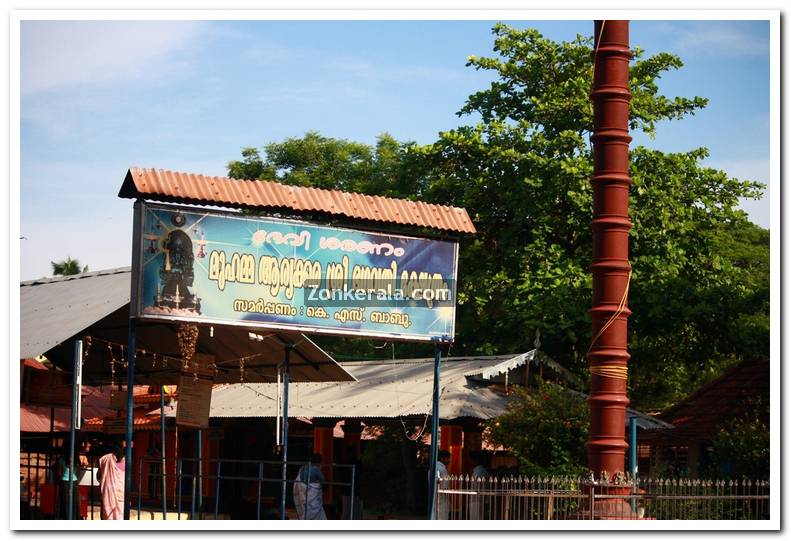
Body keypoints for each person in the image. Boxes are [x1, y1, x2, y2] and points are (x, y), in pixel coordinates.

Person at [293, 453, 327, 520]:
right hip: (312, 498)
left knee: (306, 513)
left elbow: (299, 482)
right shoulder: (316, 470)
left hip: (303, 495)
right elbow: (324, 481)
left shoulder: (303, 468)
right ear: (319, 462)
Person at [97, 445, 125, 520]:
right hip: (121, 493)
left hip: (108, 492)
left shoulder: (105, 459)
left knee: (107, 516)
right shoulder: (125, 461)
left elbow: (98, 476)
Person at [428, 450, 451, 520]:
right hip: (442, 498)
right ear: (442, 459)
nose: (449, 460)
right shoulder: (443, 469)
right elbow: (445, 487)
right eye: (448, 458)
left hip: (433, 497)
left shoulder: (432, 468)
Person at [468, 451, 488, 520]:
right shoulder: (479, 470)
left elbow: (482, 487)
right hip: (477, 499)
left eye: (470, 460)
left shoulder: (479, 471)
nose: (469, 462)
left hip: (477, 499)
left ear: (475, 460)